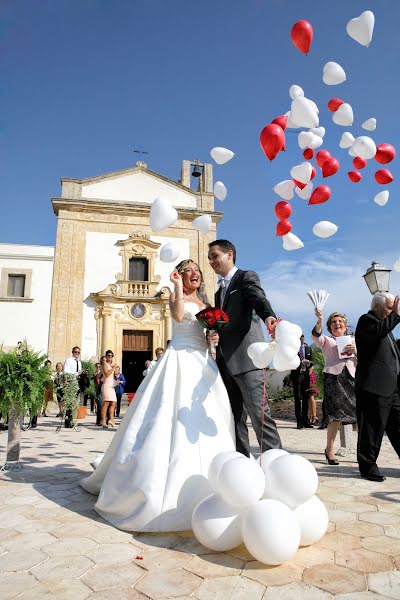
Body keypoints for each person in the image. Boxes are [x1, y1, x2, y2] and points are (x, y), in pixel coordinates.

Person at [81, 259, 235, 532]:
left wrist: (214, 336)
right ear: (181, 275)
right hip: (179, 359)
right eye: (189, 271)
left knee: (212, 413)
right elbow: (177, 317)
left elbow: (209, 332)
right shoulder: (176, 295)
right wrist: (176, 286)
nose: (195, 274)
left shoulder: (205, 302)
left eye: (197, 270)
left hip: (202, 362)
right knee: (168, 413)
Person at [208, 239, 281, 456]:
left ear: (229, 254)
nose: (211, 261)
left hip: (248, 360)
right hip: (225, 364)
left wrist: (269, 315)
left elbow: (257, 297)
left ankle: (275, 462)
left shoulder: (245, 277)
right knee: (235, 418)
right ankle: (241, 462)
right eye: (209, 257)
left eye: (215, 256)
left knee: (260, 416)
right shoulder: (218, 293)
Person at [355, 292, 400, 482]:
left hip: (392, 389)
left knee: (398, 427)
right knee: (371, 430)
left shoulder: (386, 328)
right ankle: (368, 467)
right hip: (374, 388)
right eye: (390, 307)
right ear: (377, 306)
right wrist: (395, 316)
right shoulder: (367, 321)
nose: (392, 310)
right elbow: (376, 333)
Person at [312, 308, 357, 465]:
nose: (337, 324)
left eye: (340, 321)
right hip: (334, 379)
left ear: (345, 325)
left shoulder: (353, 341)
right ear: (330, 327)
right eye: (333, 322)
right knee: (335, 416)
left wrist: (356, 351)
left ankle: (364, 453)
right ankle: (329, 450)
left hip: (352, 378)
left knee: (358, 414)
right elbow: (316, 336)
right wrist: (319, 320)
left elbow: (365, 359)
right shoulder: (326, 340)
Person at [290, 335, 313, 429]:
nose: (301, 339)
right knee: (298, 399)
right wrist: (299, 363)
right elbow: (290, 361)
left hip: (306, 376)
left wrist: (309, 363)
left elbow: (312, 362)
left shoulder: (308, 349)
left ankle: (305, 421)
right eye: (299, 337)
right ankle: (299, 422)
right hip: (297, 375)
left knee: (305, 398)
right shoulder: (293, 350)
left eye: (302, 337)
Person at [100, 352, 117, 429]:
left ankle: (111, 419)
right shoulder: (105, 364)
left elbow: (113, 375)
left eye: (111, 356)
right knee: (106, 403)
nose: (110, 357)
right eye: (108, 355)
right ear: (106, 356)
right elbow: (106, 374)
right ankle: (103, 421)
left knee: (113, 402)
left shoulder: (111, 365)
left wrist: (116, 374)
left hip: (111, 386)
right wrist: (113, 368)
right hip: (106, 386)